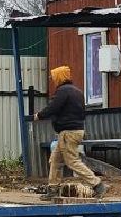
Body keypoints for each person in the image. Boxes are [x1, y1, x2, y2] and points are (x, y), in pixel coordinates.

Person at [36, 65, 105, 196]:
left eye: (55, 77)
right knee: (55, 160)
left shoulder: (63, 91)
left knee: (72, 161)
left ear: (60, 77)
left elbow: (53, 108)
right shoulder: (77, 91)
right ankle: (53, 190)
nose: (53, 80)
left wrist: (39, 115)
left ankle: (97, 184)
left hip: (68, 132)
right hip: (75, 131)